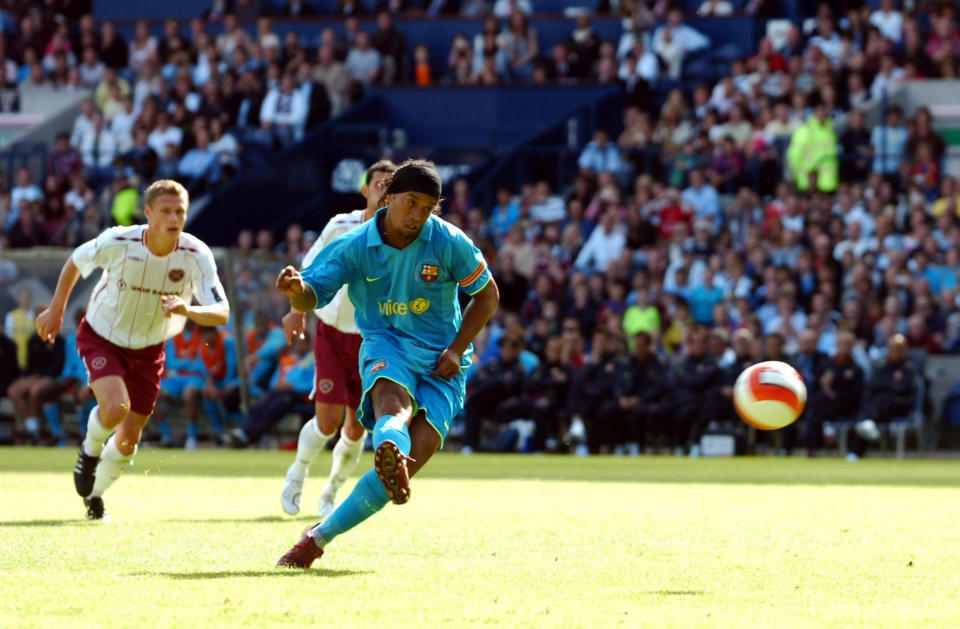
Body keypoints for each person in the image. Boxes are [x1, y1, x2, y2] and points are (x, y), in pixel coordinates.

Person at [274, 159, 499, 568]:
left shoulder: (449, 241)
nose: (416, 215)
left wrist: (456, 348)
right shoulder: (356, 243)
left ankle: (317, 536)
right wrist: (295, 292)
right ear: (388, 195)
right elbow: (313, 294)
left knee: (415, 457)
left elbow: (488, 296)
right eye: (410, 203)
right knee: (393, 406)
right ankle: (390, 443)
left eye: (427, 208)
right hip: (386, 343)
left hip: (443, 358)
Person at [34, 179, 230, 520]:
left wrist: (188, 311)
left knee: (127, 443)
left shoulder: (196, 254)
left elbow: (222, 311)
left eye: (179, 211)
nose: (173, 218)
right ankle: (89, 451)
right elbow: (76, 262)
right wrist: (56, 309)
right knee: (115, 408)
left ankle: (95, 496)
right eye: (165, 211)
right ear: (149, 212)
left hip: (149, 348)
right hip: (102, 335)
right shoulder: (119, 240)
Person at [276, 160, 397, 519]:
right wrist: (296, 309)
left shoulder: (403, 238)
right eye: (378, 185)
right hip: (331, 332)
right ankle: (297, 473)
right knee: (327, 421)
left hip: (371, 340)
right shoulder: (340, 225)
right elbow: (309, 269)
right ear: (365, 189)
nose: (383, 192)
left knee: (357, 426)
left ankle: (331, 491)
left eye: (390, 187)